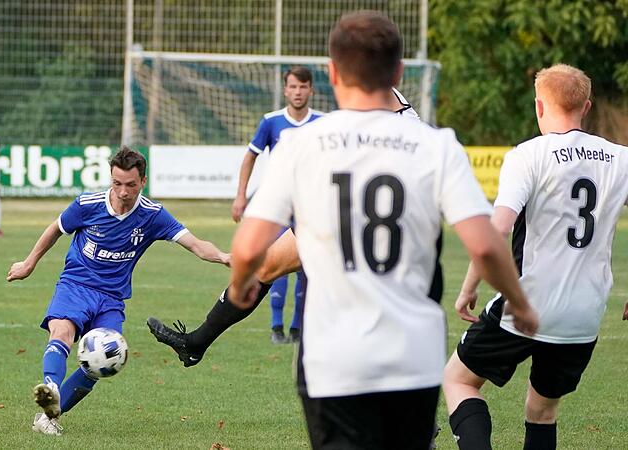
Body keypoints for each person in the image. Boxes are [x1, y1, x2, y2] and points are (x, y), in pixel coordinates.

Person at [228, 11, 538, 449]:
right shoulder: (437, 145)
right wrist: (520, 304)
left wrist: (242, 282)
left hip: (331, 356)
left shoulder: (303, 144)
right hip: (411, 354)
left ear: (332, 73)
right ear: (397, 73)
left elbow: (248, 246)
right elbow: (486, 245)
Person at [147, 81, 430, 368]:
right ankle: (195, 343)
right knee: (264, 269)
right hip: (343, 220)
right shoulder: (391, 120)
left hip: (362, 227)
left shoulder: (387, 125)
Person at [443, 64, 628, 450]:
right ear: (587, 107)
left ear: (539, 107)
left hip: (525, 305)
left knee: (459, 380)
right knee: (542, 411)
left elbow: (497, 228)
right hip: (584, 314)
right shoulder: (621, 158)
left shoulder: (528, 155)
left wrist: (468, 288)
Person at [6, 147, 230, 436]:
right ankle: (50, 386)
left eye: (131, 185)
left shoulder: (153, 215)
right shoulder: (88, 205)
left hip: (112, 298)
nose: (123, 192)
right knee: (62, 333)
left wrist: (224, 256)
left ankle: (49, 416)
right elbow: (56, 229)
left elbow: (196, 244)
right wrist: (29, 263)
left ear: (143, 182)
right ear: (111, 179)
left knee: (101, 363)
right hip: (76, 284)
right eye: (117, 183)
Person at [232, 66, 322, 343]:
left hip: (310, 208)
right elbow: (250, 156)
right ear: (285, 89)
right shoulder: (271, 122)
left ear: (311, 90)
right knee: (276, 263)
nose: (298, 92)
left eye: (303, 87)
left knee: (308, 267)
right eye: (293, 86)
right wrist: (241, 195)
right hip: (280, 207)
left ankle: (297, 328)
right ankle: (276, 326)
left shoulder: (323, 123)